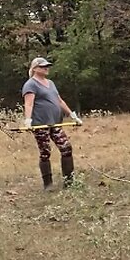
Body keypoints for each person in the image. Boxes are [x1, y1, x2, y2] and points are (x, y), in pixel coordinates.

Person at [21, 57, 82, 191]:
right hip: (40, 124)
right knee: (45, 152)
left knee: (66, 148)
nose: (46, 68)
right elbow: (29, 103)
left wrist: (72, 115)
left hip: (55, 123)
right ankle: (48, 185)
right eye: (43, 66)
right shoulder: (30, 84)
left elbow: (59, 101)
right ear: (35, 68)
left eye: (47, 66)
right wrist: (28, 120)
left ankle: (69, 182)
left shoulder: (51, 83)